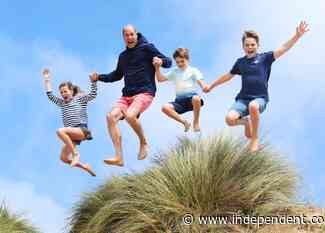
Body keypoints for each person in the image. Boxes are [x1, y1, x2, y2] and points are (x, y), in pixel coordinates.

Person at [204, 21, 309, 151]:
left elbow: (284, 48)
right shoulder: (240, 62)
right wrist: (211, 86)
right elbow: (228, 76)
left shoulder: (265, 58)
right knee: (229, 119)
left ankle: (254, 139)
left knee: (253, 106)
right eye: (247, 45)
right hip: (242, 100)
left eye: (252, 44)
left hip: (260, 98)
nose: (250, 47)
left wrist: (297, 36)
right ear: (243, 47)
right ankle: (245, 122)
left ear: (257, 45)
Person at [90, 24, 172, 166]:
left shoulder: (147, 48)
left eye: (131, 34)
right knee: (110, 117)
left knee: (130, 115)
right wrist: (99, 77)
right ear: (123, 37)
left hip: (145, 92)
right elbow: (116, 75)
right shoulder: (123, 57)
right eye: (126, 35)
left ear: (136, 34)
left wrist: (161, 61)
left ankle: (143, 142)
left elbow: (168, 62)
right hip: (127, 96)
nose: (129, 37)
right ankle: (119, 157)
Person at [43, 68, 97, 176]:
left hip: (82, 130)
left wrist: (94, 82)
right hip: (72, 135)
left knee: (60, 131)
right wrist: (47, 79)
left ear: (71, 91)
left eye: (65, 91)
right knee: (63, 158)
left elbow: (92, 95)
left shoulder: (79, 99)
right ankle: (85, 167)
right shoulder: (62, 103)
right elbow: (50, 95)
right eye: (61, 92)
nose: (63, 94)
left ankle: (75, 154)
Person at [153, 48, 206, 132]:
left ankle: (196, 122)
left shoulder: (193, 70)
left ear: (187, 60)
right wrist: (157, 68)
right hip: (179, 102)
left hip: (191, 100)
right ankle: (185, 123)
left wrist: (203, 86)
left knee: (196, 98)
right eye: (177, 62)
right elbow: (160, 79)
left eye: (182, 61)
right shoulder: (175, 71)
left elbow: (200, 81)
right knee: (164, 108)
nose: (180, 64)